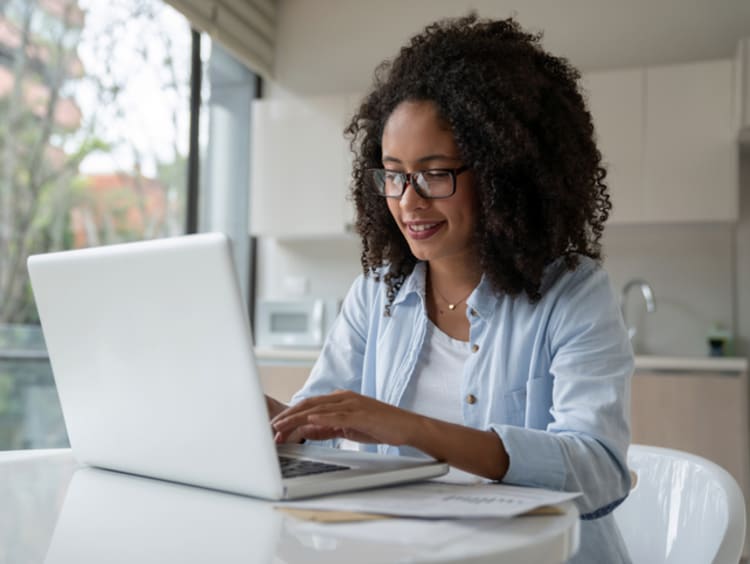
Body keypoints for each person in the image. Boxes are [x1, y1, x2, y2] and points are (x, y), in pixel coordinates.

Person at [267, 14, 633, 563]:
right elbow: (320, 427)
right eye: (393, 174)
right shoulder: (378, 294)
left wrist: (411, 428)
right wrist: (262, 417)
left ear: (501, 173)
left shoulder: (573, 294)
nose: (408, 202)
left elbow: (598, 469)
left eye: (435, 173)